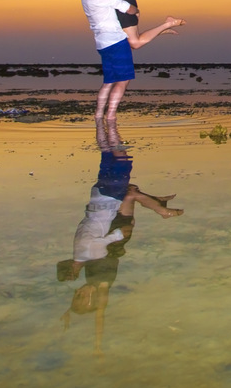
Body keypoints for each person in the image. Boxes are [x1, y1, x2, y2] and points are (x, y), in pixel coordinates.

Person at [58, 127, 181, 353]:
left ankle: (157, 203)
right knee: (129, 192)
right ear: (93, 299)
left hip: (111, 224)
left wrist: (70, 310)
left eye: (76, 296)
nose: (79, 292)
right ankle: (161, 209)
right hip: (118, 234)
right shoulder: (102, 284)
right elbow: (100, 313)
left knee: (130, 190)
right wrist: (98, 345)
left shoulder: (88, 275)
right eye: (82, 298)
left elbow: (83, 259)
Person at [67, 0, 183, 119]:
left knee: (109, 81)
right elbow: (127, 8)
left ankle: (99, 114)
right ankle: (111, 115)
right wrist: (136, 11)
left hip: (102, 43)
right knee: (123, 80)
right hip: (115, 41)